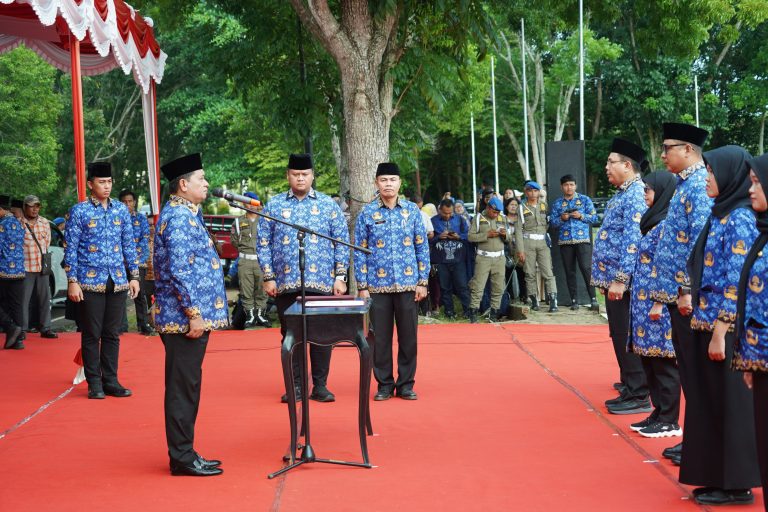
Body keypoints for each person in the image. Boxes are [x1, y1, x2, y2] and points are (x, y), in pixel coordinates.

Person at [681, 145, 759, 505]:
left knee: (730, 407)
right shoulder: (719, 212)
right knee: (709, 403)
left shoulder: (740, 217)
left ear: (729, 176)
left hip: (722, 330)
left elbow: (736, 278)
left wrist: (721, 331)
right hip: (704, 321)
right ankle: (716, 476)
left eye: (711, 173)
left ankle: (736, 484)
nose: (707, 178)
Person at [153, 153, 228, 477]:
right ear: (183, 185)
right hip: (184, 320)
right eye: (201, 179)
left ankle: (186, 452)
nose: (206, 183)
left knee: (187, 386)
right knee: (183, 388)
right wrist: (194, 313)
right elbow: (180, 271)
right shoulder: (180, 218)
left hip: (186, 317)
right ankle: (182, 457)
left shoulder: (186, 213)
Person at [258, 153, 350, 403]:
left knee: (323, 336)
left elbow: (341, 243)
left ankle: (320, 385)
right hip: (286, 284)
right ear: (288, 175)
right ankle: (296, 386)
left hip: (322, 283)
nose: (300, 178)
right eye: (296, 174)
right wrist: (268, 277)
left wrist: (340, 276)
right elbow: (263, 243)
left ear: (312, 176)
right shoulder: (274, 205)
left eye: (305, 174)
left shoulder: (328, 206)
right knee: (292, 336)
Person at [648, 122, 713, 464]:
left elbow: (700, 244)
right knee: (689, 372)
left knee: (697, 374)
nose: (662, 154)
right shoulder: (683, 185)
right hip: (676, 295)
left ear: (688, 149)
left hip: (689, 298)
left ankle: (701, 443)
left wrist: (685, 289)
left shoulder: (699, 186)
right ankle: (696, 440)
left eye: (668, 147)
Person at [64, 162, 140, 399]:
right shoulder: (80, 211)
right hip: (89, 281)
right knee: (91, 334)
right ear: (90, 184)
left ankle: (111, 381)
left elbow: (129, 245)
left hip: (117, 280)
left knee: (112, 334)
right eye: (101, 182)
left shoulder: (120, 210)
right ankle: (94, 383)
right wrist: (72, 280)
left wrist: (134, 276)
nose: (106, 187)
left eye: (109, 182)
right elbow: (71, 248)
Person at [355, 162, 429, 401]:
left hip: (408, 284)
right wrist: (362, 286)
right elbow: (359, 251)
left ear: (399, 183)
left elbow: (422, 246)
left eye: (393, 180)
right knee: (381, 338)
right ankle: (384, 384)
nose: (388, 184)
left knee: (409, 337)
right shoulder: (367, 213)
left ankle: (406, 383)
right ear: (376, 183)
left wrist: (423, 281)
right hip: (377, 287)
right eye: (384, 180)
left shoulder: (412, 211)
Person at [592, 138, 650, 415]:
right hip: (613, 279)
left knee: (625, 333)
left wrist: (621, 277)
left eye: (611, 162)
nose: (606, 167)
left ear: (627, 166)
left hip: (623, 281)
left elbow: (633, 239)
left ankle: (639, 392)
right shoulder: (623, 193)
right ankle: (630, 383)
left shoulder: (636, 193)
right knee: (618, 332)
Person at [627, 170, 681, 438]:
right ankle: (658, 412)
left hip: (658, 306)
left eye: (649, 190)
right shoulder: (652, 221)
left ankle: (670, 418)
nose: (645, 194)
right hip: (643, 304)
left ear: (662, 193)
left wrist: (660, 302)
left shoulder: (666, 225)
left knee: (664, 362)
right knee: (649, 359)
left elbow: (669, 266)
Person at [734, 152, 768, 511]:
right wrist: (750, 359)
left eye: (757, 182)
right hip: (760, 361)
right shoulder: (762, 234)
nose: (750, 189)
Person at [549, 174, 599, 310]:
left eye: (571, 184)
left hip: (582, 240)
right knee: (569, 271)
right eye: (566, 185)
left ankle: (593, 299)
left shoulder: (584, 200)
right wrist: (561, 218)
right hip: (565, 241)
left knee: (586, 268)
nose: (569, 187)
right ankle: (574, 301)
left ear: (575, 186)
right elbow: (552, 223)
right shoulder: (557, 203)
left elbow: (595, 218)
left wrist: (581, 216)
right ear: (561, 187)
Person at [514, 181, 558, 312]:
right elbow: (518, 230)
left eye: (535, 191)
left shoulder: (544, 206)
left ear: (539, 192)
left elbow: (548, 224)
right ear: (526, 192)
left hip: (542, 242)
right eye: (530, 191)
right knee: (529, 273)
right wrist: (520, 250)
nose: (533, 193)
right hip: (528, 242)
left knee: (548, 272)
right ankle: (534, 300)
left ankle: (553, 301)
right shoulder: (521, 208)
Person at [230, 191, 270, 328]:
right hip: (245, 261)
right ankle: (250, 316)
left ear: (257, 203)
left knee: (262, 288)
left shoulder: (265, 220)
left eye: (252, 202)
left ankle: (260, 315)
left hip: (261, 260)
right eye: (246, 202)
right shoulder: (238, 221)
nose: (249, 205)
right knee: (246, 289)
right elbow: (235, 241)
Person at [468, 196, 510, 322]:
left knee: (498, 287)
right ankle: (473, 313)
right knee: (478, 286)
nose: (496, 214)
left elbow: (509, 239)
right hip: (483, 257)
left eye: (498, 212)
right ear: (488, 207)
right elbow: (470, 237)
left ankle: (494, 313)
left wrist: (504, 235)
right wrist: (486, 235)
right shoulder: (478, 218)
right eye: (494, 211)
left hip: (499, 257)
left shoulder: (503, 218)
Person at [20, 195, 57, 338]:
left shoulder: (45, 222)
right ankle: (22, 329)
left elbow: (46, 243)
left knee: (44, 298)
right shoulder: (19, 222)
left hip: (42, 266)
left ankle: (46, 328)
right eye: (31, 205)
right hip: (25, 266)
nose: (35, 209)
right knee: (24, 300)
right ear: (24, 207)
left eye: (37, 206)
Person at [118, 189, 153, 335]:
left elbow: (144, 240)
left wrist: (135, 259)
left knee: (140, 294)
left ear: (134, 202)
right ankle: (121, 326)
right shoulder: (115, 218)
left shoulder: (141, 218)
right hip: (119, 263)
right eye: (124, 201)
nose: (127, 204)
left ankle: (143, 323)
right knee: (118, 295)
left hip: (138, 262)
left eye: (130, 201)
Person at [429, 198, 471, 319]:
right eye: (445, 213)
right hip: (441, 260)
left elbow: (468, 236)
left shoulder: (460, 219)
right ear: (439, 210)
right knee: (444, 287)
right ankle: (449, 312)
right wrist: (438, 237)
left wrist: (459, 236)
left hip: (458, 259)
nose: (447, 215)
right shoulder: (433, 221)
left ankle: (468, 311)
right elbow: (428, 240)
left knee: (462, 286)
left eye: (450, 213)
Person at [0, 194, 25, 349]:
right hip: (19, 271)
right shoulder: (18, 222)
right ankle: (18, 340)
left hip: (3, 270)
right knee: (16, 305)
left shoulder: (2, 225)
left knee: (4, 304)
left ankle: (10, 327)